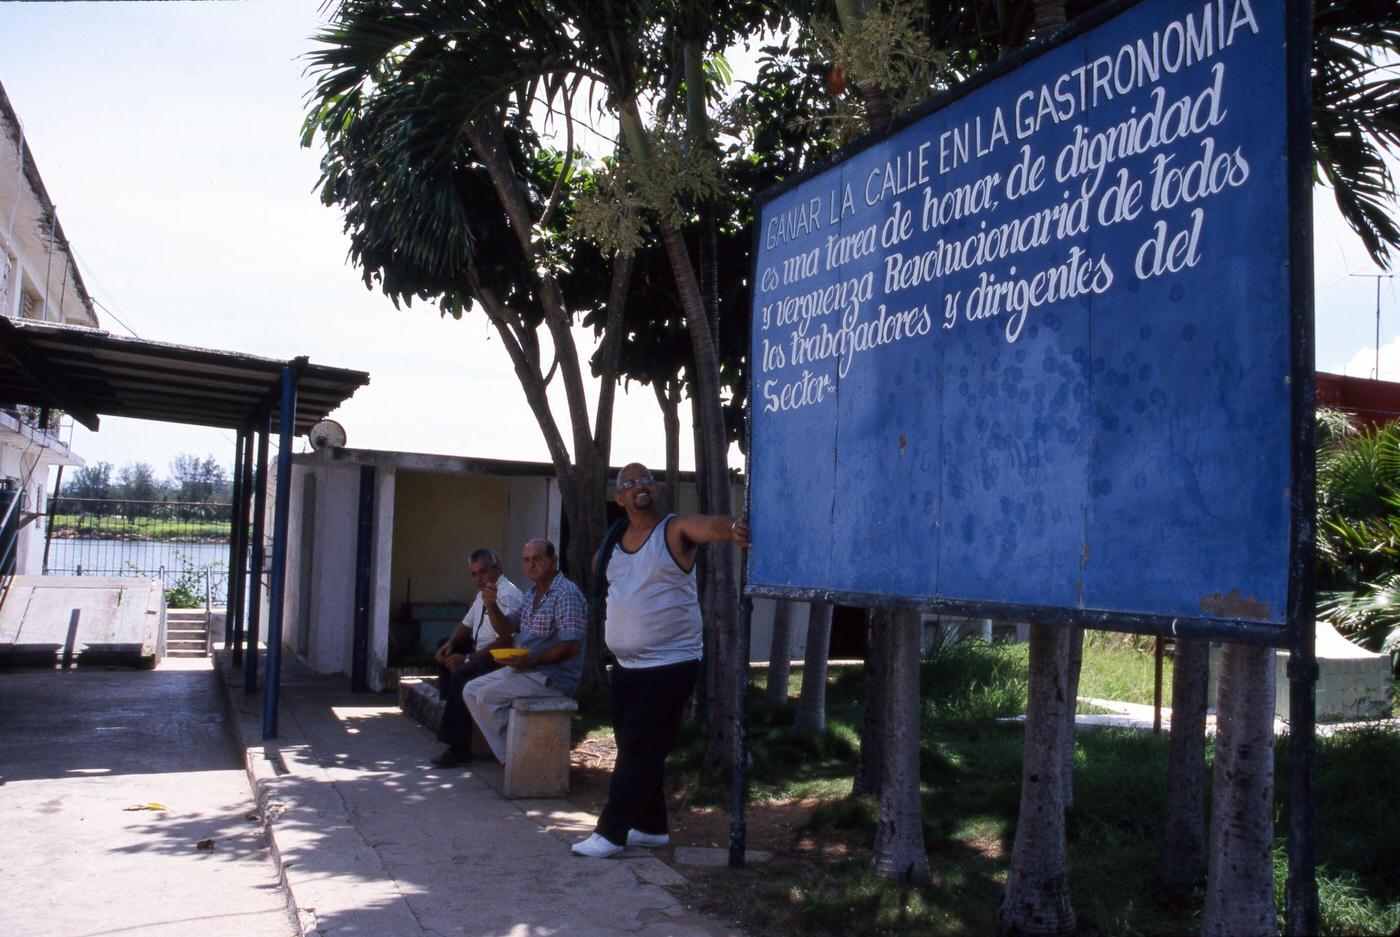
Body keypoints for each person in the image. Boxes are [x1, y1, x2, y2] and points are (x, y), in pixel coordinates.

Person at [571, 463, 749, 859]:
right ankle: (651, 827)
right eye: (629, 482)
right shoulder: (613, 543)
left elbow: (711, 525)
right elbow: (603, 573)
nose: (640, 486)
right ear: (619, 498)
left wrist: (732, 528)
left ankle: (611, 832)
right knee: (635, 745)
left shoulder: (674, 529)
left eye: (646, 479)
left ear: (656, 489)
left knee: (638, 746)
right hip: (627, 667)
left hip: (670, 664)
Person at [463, 538, 587, 763]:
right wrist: (491, 604)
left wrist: (531, 662)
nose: (531, 565)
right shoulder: (532, 594)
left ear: (553, 560)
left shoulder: (566, 594)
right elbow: (507, 629)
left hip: (552, 677)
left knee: (486, 696)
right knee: (471, 690)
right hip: (528, 670)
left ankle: (522, 753)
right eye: (527, 560)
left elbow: (572, 645)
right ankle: (512, 754)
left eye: (537, 559)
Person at [430, 547, 524, 768]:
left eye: (483, 572)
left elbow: (506, 640)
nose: (479, 578)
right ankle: (452, 713)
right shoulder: (483, 593)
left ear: (497, 568)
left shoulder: (506, 594)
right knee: (443, 645)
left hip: (499, 657)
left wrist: (467, 658)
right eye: (474, 574)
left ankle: (459, 748)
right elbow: (466, 624)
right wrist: (451, 644)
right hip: (481, 650)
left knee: (462, 674)